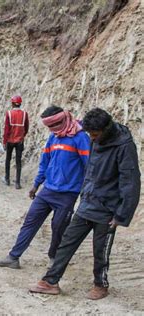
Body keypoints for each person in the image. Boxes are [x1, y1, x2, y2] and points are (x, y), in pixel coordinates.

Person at [29, 108, 141, 300]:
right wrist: (83, 194)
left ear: (107, 128)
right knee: (67, 242)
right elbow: (89, 170)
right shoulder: (95, 139)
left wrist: (121, 214)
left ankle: (100, 285)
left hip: (108, 209)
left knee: (100, 251)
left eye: (95, 134)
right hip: (88, 202)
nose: (92, 137)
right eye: (90, 134)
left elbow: (130, 182)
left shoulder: (124, 146)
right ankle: (51, 281)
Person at [0, 106, 90, 269]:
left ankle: (54, 258)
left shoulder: (80, 138)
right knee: (30, 221)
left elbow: (89, 166)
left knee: (59, 227)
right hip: (48, 190)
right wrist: (36, 184)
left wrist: (86, 191)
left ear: (61, 121)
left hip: (68, 194)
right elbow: (45, 163)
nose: (50, 129)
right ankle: (14, 257)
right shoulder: (54, 137)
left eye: (52, 125)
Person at [3, 95, 29, 189]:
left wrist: (5, 141)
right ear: (20, 103)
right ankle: (17, 183)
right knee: (18, 161)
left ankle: (7, 179)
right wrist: (21, 136)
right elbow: (26, 128)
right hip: (20, 141)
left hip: (10, 140)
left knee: (8, 159)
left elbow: (6, 129)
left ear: (12, 103)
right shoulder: (25, 114)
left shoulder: (9, 113)